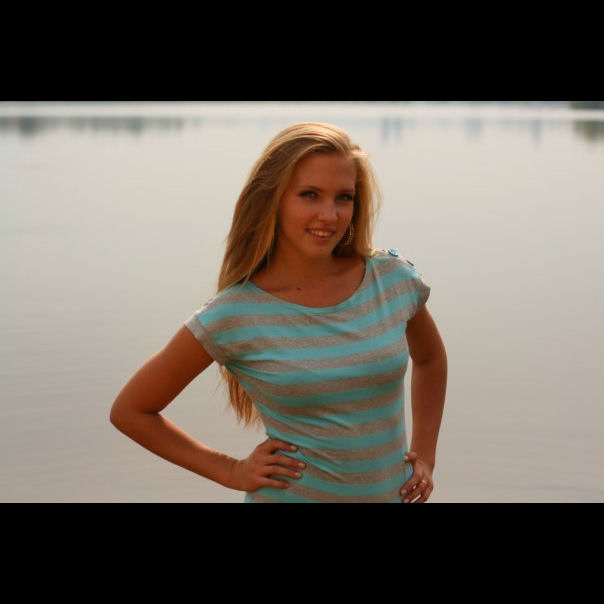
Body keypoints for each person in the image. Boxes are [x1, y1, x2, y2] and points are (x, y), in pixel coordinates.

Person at [110, 122, 448, 503]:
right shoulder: (235, 313)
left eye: (344, 198)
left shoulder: (391, 280)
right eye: (310, 195)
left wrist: (425, 455)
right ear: (273, 198)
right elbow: (132, 410)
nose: (330, 215)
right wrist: (230, 470)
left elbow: (430, 359)